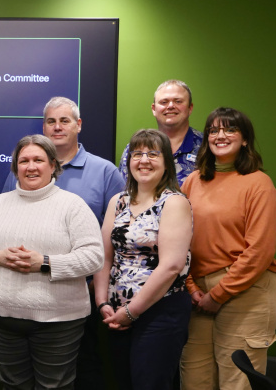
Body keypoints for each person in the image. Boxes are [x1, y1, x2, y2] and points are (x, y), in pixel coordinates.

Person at [0, 134, 103, 389]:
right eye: (23, 160)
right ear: (16, 167)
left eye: (38, 159)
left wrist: (44, 262)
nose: (31, 166)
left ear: (52, 165)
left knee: (54, 387)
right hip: (4, 319)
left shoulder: (72, 206)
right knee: (12, 386)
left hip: (59, 322)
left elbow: (93, 257)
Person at [1, 96, 124, 389]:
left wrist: (99, 283)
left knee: (85, 365)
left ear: (78, 125)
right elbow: (4, 220)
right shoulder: (21, 171)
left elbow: (119, 234)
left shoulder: (105, 172)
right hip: (27, 296)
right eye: (51, 122)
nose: (57, 127)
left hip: (83, 291)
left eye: (64, 121)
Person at [180, 107, 276, 390]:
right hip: (198, 293)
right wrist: (191, 287)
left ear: (245, 139)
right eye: (213, 130)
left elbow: (260, 250)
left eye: (229, 130)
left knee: (238, 381)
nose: (220, 135)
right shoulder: (193, 181)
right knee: (194, 379)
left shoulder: (259, 183)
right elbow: (180, 240)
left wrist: (220, 293)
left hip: (246, 291)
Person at [93, 129, 192, 390]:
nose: (144, 160)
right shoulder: (118, 201)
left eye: (153, 154)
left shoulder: (175, 203)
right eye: (137, 153)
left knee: (150, 384)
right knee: (121, 382)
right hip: (115, 314)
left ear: (166, 162)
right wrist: (102, 302)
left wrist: (131, 312)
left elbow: (171, 266)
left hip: (160, 312)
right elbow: (104, 256)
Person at [118, 80, 203, 185]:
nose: (171, 106)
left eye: (178, 101)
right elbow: (124, 191)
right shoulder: (134, 149)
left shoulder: (207, 147)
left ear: (190, 108)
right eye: (164, 102)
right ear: (154, 109)